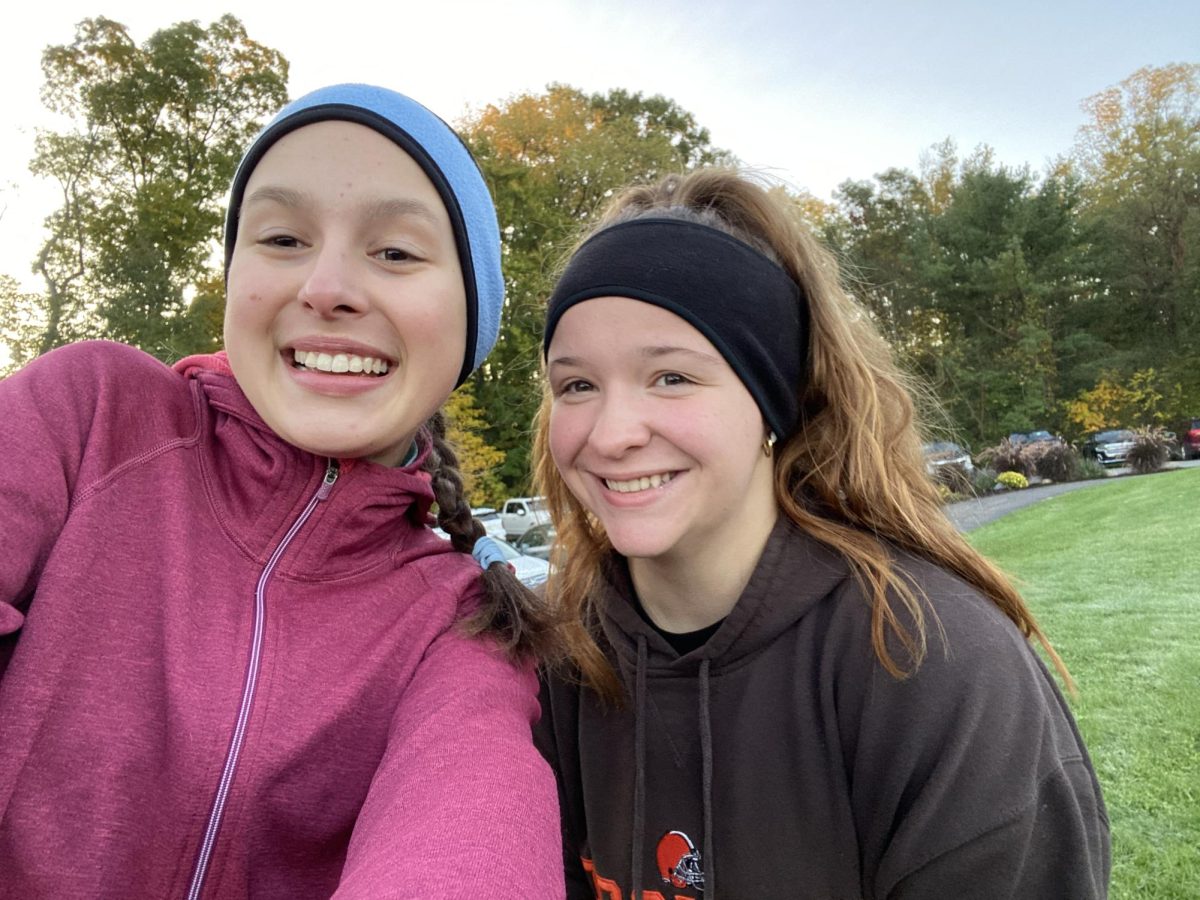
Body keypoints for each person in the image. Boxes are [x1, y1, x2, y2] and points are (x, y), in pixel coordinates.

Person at [0, 84, 564, 898]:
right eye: (283, 237)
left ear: (470, 320)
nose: (327, 285)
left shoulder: (456, 618)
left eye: (396, 252)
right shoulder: (86, 416)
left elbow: (470, 826)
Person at [532, 169, 1110, 899]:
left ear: (774, 401)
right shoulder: (557, 660)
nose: (612, 435)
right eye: (576, 385)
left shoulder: (931, 664)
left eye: (672, 377)